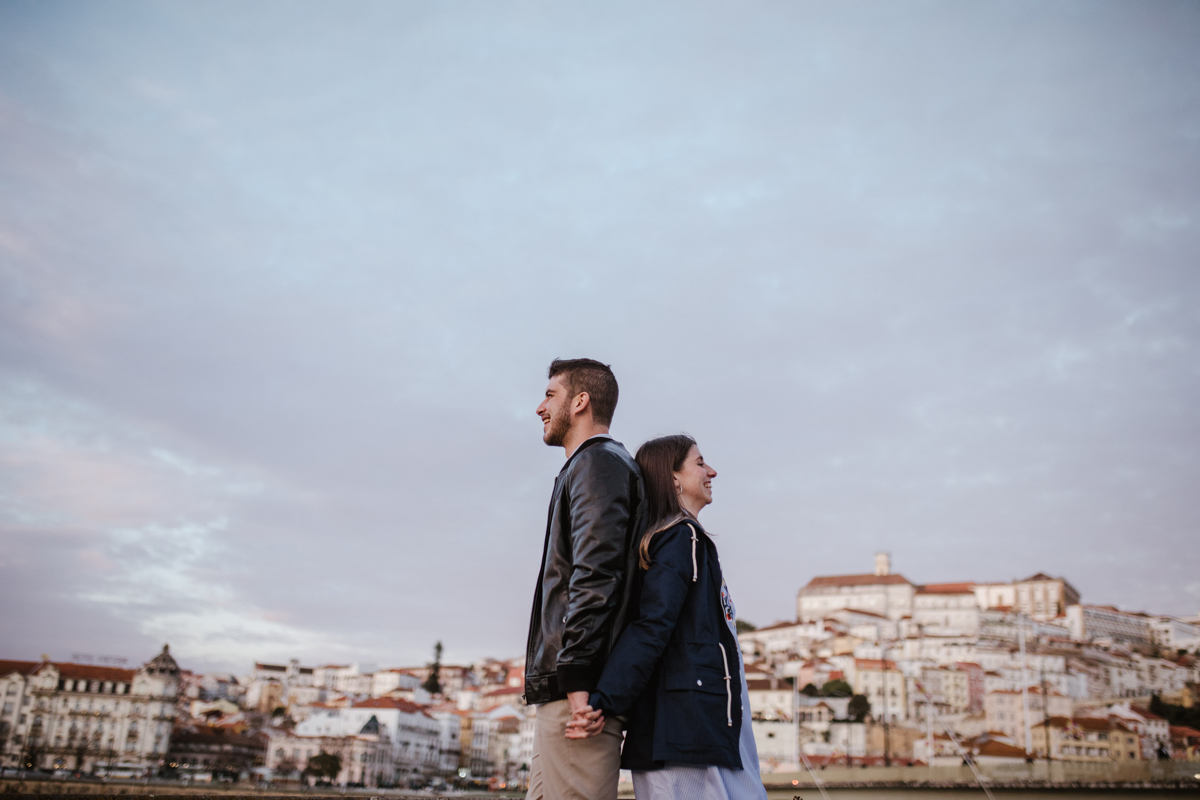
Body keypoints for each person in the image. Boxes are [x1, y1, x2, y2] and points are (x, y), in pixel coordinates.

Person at [567, 434, 767, 800]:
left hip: (700, 727)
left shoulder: (685, 540)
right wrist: (604, 701)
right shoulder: (681, 538)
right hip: (689, 731)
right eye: (700, 463)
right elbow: (652, 626)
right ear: (674, 477)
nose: (712, 471)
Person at [523, 358, 646, 800]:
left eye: (550, 395)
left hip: (578, 696)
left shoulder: (599, 465)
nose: (539, 406)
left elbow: (596, 575)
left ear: (580, 401)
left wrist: (577, 683)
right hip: (568, 690)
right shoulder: (593, 465)